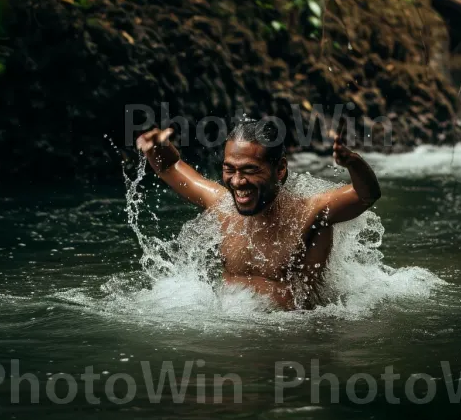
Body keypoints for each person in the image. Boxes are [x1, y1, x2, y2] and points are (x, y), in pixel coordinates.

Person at [136, 119, 381, 310]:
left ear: (280, 169)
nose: (238, 181)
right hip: (233, 331)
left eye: (250, 170)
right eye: (229, 169)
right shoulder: (222, 206)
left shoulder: (308, 212)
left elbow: (366, 195)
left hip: (295, 340)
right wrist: (158, 146)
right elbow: (170, 167)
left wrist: (353, 162)